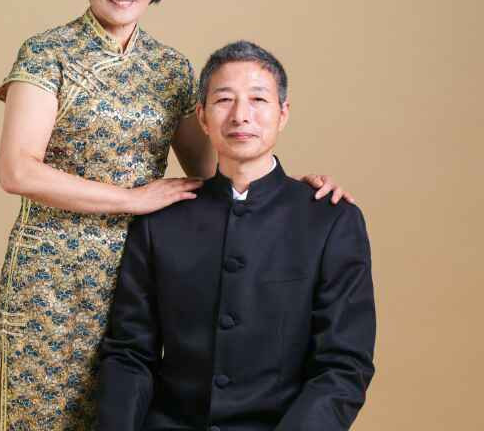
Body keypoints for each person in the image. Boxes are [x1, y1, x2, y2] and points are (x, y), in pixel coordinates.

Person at [0, 0, 355, 431]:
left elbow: (219, 167)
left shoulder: (171, 68)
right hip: (56, 277)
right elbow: (17, 172)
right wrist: (133, 200)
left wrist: (289, 191)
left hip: (154, 272)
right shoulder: (48, 53)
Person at [97, 41, 376, 431]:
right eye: (224, 100)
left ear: (283, 113)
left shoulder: (330, 219)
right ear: (202, 117)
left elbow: (343, 366)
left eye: (258, 99)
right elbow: (129, 354)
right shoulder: (160, 220)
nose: (241, 115)